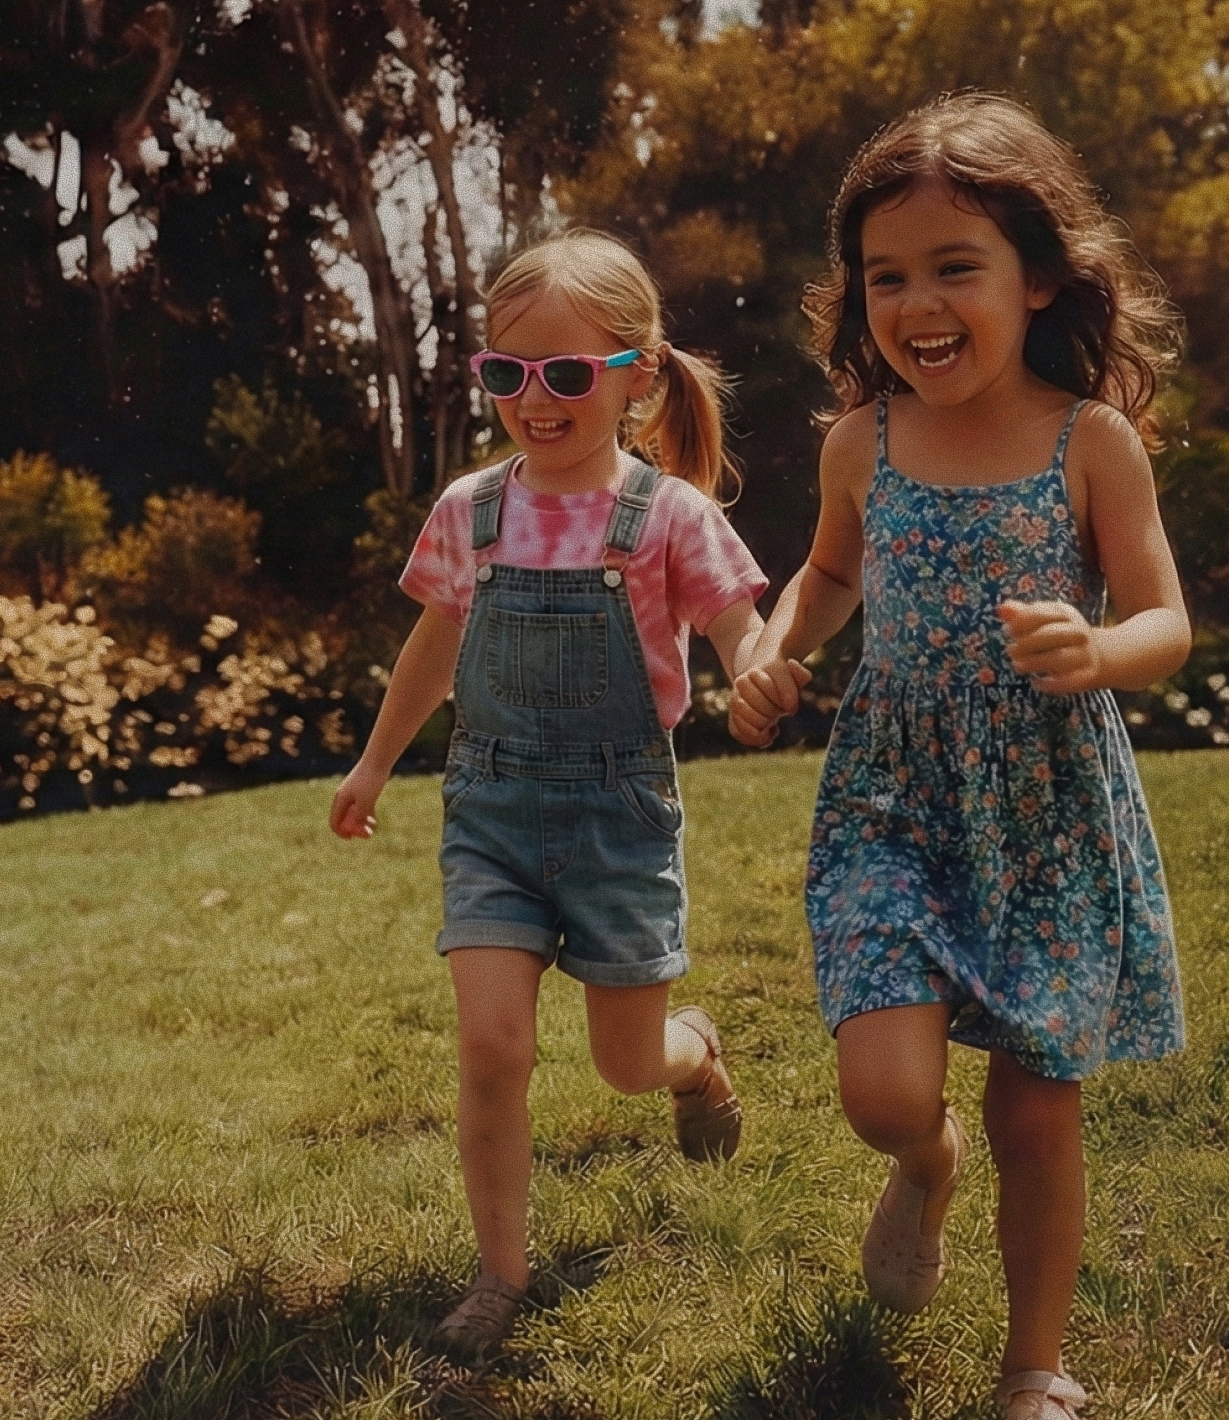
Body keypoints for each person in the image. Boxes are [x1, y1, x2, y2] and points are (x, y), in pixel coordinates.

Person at [729, 93, 1192, 1420]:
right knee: (885, 1094)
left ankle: (1034, 1369)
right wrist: (774, 649)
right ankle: (921, 1166)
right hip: (893, 794)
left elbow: (1164, 616)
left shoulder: (1087, 443)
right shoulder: (859, 442)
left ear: (1038, 277)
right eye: (887, 277)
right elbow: (825, 573)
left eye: (954, 267)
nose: (917, 303)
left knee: (1038, 1113)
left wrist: (1101, 650)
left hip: (1046, 807)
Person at [329, 229, 771, 1360]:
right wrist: (376, 761)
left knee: (625, 1065)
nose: (537, 397)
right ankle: (500, 1274)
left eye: (568, 373)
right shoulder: (472, 508)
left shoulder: (667, 513)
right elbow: (436, 642)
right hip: (492, 812)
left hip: (620, 816)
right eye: (508, 371)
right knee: (493, 1044)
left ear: (634, 376)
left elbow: (732, 616)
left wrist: (756, 667)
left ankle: (693, 1053)